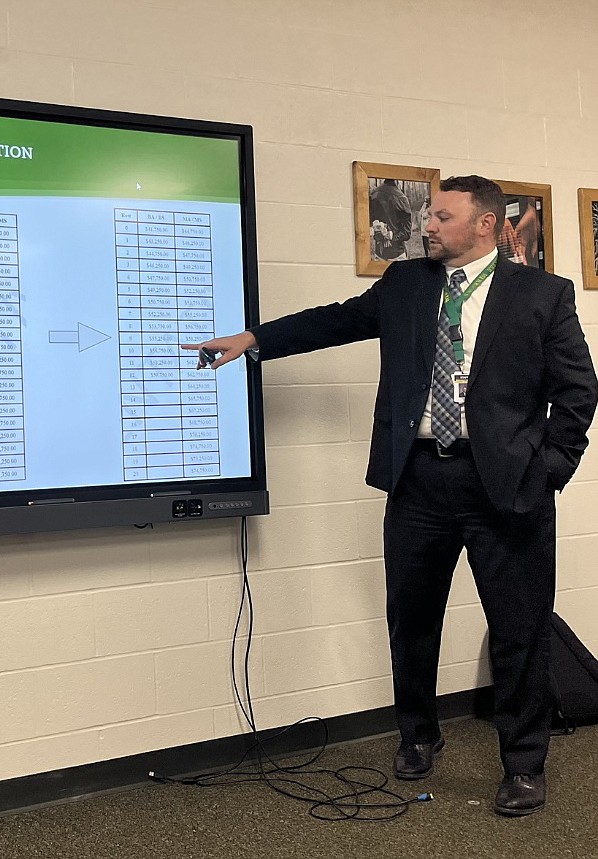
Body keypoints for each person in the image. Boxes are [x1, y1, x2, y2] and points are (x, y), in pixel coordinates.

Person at [188, 176, 597, 817]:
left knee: (521, 631)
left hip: (508, 487)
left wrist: (548, 470)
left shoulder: (542, 296)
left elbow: (579, 391)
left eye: (441, 216)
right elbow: (338, 321)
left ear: (485, 224)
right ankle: (418, 734)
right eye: (429, 215)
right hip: (418, 482)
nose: (427, 226)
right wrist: (254, 341)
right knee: (411, 620)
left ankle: (523, 764)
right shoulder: (407, 285)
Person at [369, 178, 414, 261]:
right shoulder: (401, 198)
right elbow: (407, 233)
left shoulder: (374, 194)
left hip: (379, 254)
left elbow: (368, 223)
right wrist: (391, 236)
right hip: (397, 255)